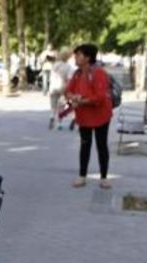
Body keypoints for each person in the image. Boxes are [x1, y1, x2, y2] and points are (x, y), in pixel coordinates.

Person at [65, 43, 113, 189]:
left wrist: (81, 100)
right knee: (85, 145)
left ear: (87, 57)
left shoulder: (98, 73)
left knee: (101, 145)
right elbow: (67, 91)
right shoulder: (77, 73)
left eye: (78, 55)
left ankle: (104, 177)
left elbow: (100, 97)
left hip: (100, 116)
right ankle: (82, 176)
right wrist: (72, 97)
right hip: (84, 117)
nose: (76, 58)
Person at [47, 52, 72, 130]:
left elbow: (50, 76)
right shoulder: (68, 66)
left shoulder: (54, 65)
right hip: (62, 87)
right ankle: (59, 123)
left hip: (53, 86)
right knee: (61, 106)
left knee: (53, 104)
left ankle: (52, 116)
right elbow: (69, 78)